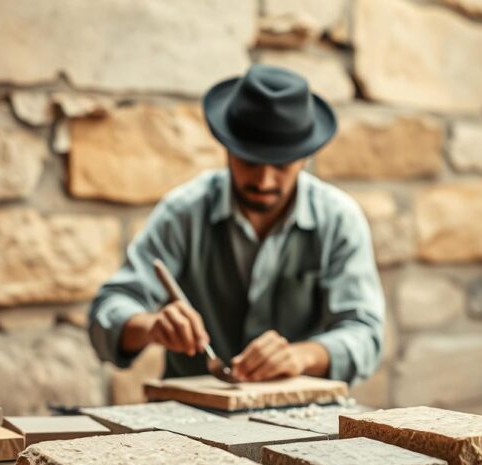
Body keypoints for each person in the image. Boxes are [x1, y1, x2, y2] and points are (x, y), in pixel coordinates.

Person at [88, 64, 384, 384]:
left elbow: (365, 335)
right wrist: (151, 327)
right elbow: (107, 313)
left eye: (281, 164)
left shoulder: (339, 219)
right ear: (227, 148)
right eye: (250, 161)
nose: (264, 180)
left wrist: (301, 356)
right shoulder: (184, 212)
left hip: (304, 415)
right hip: (189, 418)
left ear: (305, 156)